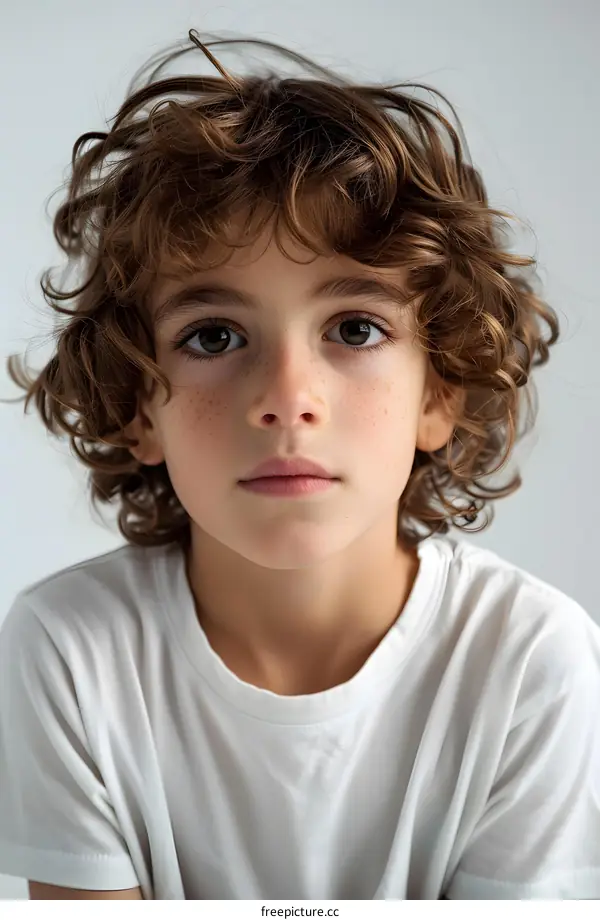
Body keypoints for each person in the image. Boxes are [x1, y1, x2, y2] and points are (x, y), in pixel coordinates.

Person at [0, 28, 599, 902]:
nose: (287, 398)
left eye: (355, 329)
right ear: (136, 405)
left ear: (440, 392)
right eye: (214, 337)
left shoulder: (531, 661)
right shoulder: (70, 651)